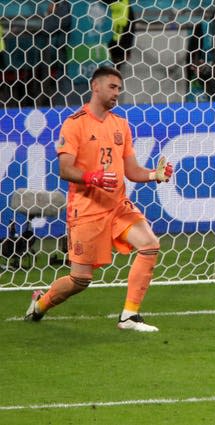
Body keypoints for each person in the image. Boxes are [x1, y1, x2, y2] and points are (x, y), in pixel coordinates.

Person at [24, 66, 173, 332]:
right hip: (86, 210)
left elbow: (132, 171)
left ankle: (129, 317)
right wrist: (93, 177)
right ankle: (41, 303)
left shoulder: (121, 125)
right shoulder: (74, 124)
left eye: (119, 88)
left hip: (117, 206)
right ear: (96, 87)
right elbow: (64, 169)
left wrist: (154, 174)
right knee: (80, 280)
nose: (118, 92)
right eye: (113, 87)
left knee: (150, 245)